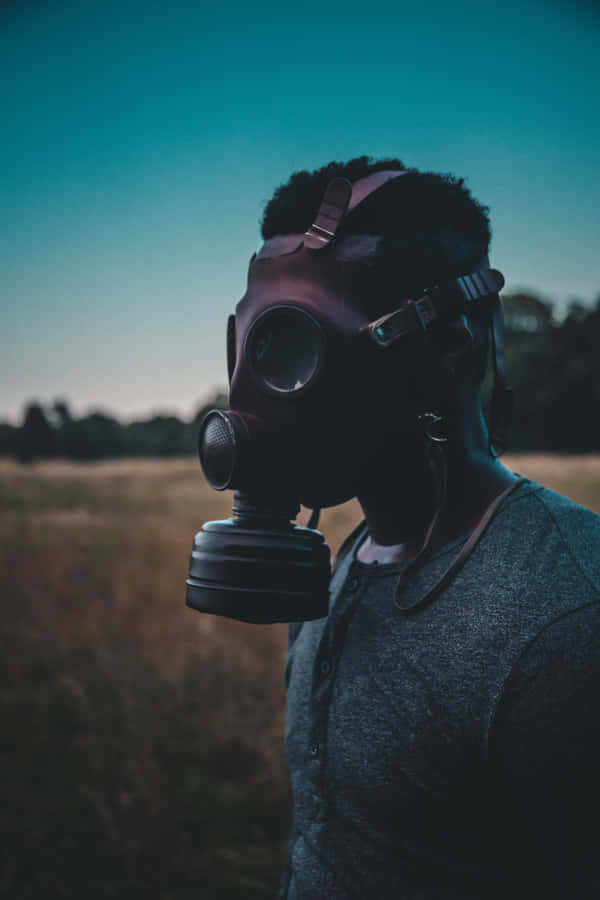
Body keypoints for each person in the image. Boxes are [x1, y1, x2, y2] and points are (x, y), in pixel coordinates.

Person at [246, 157, 600, 899]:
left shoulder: (564, 618)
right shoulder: (342, 559)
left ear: (451, 341)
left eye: (304, 344)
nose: (274, 390)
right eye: (266, 346)